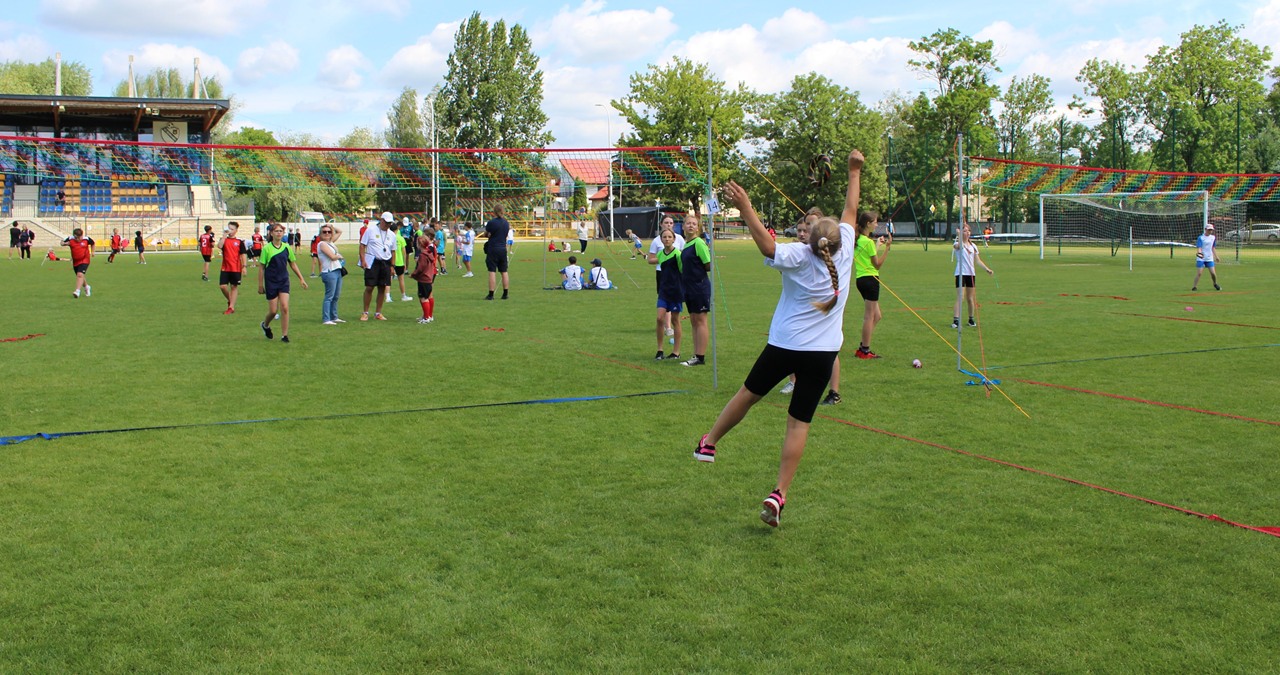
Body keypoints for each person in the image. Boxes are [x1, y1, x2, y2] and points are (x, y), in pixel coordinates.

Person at [693, 149, 864, 529]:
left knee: (747, 395)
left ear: (810, 240)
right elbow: (851, 209)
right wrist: (854, 171)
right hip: (822, 354)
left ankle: (710, 442)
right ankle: (779, 492)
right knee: (798, 424)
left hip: (785, 345)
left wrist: (746, 207)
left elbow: (768, 246)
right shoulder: (845, 251)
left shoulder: (799, 255)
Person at [258, 223, 308, 343]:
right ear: (271, 233)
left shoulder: (286, 247)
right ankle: (265, 325)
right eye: (276, 231)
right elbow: (261, 268)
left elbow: (293, 264)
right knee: (273, 311)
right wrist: (260, 285)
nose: (279, 233)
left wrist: (301, 278)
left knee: (285, 307)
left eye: (281, 231)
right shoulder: (266, 249)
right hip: (271, 281)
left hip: (283, 280)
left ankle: (284, 335)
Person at [853, 210, 891, 359]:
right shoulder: (867, 242)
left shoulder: (859, 240)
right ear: (868, 224)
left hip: (861, 280)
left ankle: (863, 345)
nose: (876, 225)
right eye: (875, 222)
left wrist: (878, 246)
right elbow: (877, 265)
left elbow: (868, 257)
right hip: (871, 280)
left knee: (877, 316)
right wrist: (887, 248)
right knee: (869, 316)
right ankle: (865, 350)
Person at [679, 214, 712, 367]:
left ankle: (700, 356)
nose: (691, 225)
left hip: (699, 287)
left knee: (700, 320)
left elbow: (708, 264)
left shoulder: (698, 243)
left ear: (697, 227)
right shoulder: (687, 245)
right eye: (688, 223)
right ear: (683, 227)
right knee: (693, 321)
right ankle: (696, 354)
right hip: (689, 287)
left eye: (694, 223)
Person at [952, 223, 993, 328]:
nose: (967, 233)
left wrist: (987, 269)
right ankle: (956, 320)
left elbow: (978, 261)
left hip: (971, 274)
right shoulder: (957, 244)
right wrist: (959, 235)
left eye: (968, 231)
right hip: (960, 273)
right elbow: (960, 246)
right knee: (960, 297)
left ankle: (971, 319)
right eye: (965, 231)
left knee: (970, 298)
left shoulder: (973, 246)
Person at [359, 211, 397, 321]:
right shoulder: (370, 230)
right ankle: (365, 312)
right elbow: (362, 245)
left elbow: (393, 251)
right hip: (373, 261)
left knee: (382, 287)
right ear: (381, 220)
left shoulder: (392, 235)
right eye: (386, 222)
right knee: (369, 287)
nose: (388, 225)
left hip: (386, 262)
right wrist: (363, 260)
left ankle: (378, 313)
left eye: (390, 223)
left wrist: (392, 266)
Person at [654, 229, 683, 361]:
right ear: (661, 239)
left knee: (675, 320)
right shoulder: (660, 254)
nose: (667, 239)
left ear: (673, 239)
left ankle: (676, 352)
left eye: (669, 237)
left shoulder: (678, 254)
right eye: (664, 237)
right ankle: (660, 350)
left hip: (675, 292)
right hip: (664, 291)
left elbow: (682, 271)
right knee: (659, 319)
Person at [316, 224, 345, 325]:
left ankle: (334, 316)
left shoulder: (330, 242)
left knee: (336, 296)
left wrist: (330, 226)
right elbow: (332, 257)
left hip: (337, 270)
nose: (327, 233)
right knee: (329, 296)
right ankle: (326, 318)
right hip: (329, 271)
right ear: (320, 234)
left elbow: (340, 231)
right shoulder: (322, 244)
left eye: (329, 232)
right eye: (324, 232)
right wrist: (339, 256)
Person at [218, 222, 248, 315]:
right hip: (225, 267)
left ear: (236, 230)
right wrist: (224, 236)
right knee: (223, 286)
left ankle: (231, 307)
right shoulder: (224, 240)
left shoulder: (239, 242)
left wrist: (244, 266)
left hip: (236, 268)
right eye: (229, 228)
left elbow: (243, 254)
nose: (230, 231)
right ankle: (230, 301)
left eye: (232, 229)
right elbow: (219, 246)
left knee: (233, 286)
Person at [483, 204, 511, 300]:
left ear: (494, 212)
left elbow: (486, 234)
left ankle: (491, 294)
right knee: (504, 271)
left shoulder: (491, 222)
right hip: (503, 248)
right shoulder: (506, 223)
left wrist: (489, 235)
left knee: (492, 271)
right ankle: (505, 293)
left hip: (493, 248)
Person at [411, 231, 438, 323]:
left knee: (425, 296)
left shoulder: (427, 250)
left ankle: (427, 316)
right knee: (428, 295)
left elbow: (422, 266)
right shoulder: (430, 249)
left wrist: (414, 274)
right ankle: (428, 315)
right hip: (430, 273)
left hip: (427, 274)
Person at [62, 227, 95, 298]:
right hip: (75, 261)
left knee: (80, 275)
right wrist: (64, 243)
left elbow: (93, 243)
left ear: (82, 235)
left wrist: (92, 252)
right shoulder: (70, 239)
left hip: (84, 260)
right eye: (76, 238)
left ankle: (77, 291)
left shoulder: (86, 239)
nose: (77, 239)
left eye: (79, 237)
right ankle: (86, 287)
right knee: (80, 275)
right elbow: (62, 243)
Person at [1192, 223, 1221, 291]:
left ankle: (1215, 284)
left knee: (1213, 273)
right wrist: (1200, 254)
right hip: (1201, 258)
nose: (1210, 231)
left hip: (1209, 258)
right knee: (1199, 273)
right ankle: (1194, 286)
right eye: (1209, 230)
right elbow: (1199, 247)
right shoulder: (1201, 238)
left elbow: (1213, 248)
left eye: (1211, 230)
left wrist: (1216, 256)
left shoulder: (1213, 238)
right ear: (1205, 229)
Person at [393, 225, 410, 301]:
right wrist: (405, 263)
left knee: (388, 280)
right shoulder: (400, 238)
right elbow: (404, 252)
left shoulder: (389, 237)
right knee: (401, 279)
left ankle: (387, 296)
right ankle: (403, 295)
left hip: (391, 261)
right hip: (399, 262)